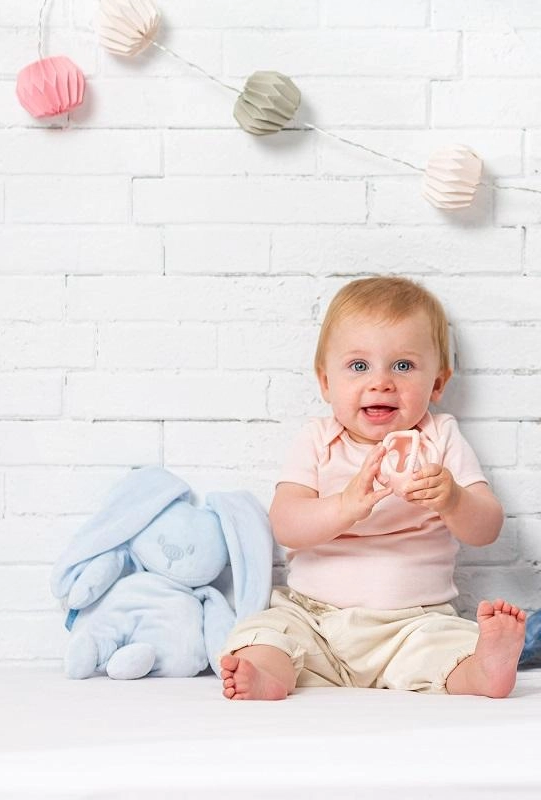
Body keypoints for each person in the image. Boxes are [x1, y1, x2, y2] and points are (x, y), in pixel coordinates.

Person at [220, 275, 526, 700]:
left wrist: (454, 499)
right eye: (359, 366)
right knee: (265, 632)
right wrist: (345, 505)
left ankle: (481, 672)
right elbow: (286, 524)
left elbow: (487, 527)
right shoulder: (318, 440)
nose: (381, 382)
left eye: (403, 366)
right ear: (326, 382)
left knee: (447, 645)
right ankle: (267, 674)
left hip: (412, 624)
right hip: (315, 618)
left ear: (438, 383)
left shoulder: (440, 439)